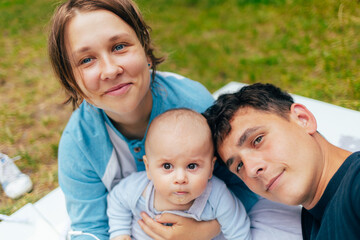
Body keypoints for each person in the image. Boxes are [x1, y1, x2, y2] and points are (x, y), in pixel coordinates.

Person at [48, 0, 301, 239]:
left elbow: (242, 181)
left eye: (119, 47)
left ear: (146, 51)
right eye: (86, 60)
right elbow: (90, 227)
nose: (110, 69)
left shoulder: (194, 107)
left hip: (214, 220)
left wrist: (207, 230)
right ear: (71, 81)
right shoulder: (79, 145)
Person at [204, 83, 360, 240]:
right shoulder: (313, 221)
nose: (251, 169)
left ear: (302, 119)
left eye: (258, 140)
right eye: (239, 166)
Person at [107, 109, 251, 240]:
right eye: (167, 166)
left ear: (210, 168)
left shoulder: (217, 197)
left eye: (192, 166)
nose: (180, 178)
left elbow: (238, 231)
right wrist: (120, 233)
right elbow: (117, 200)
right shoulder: (138, 189)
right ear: (148, 168)